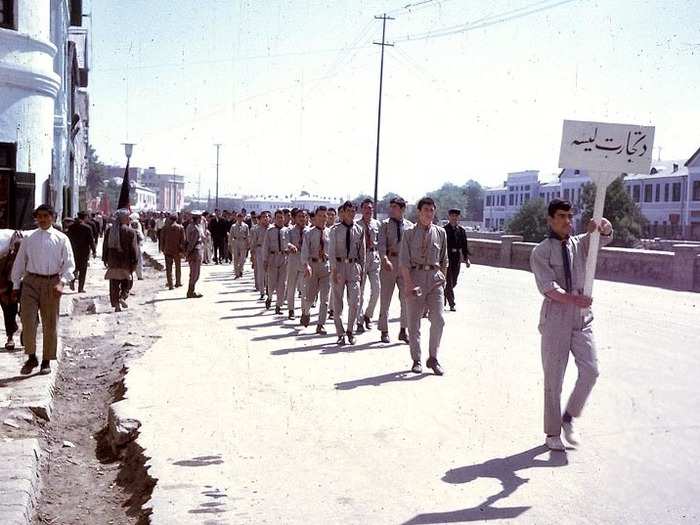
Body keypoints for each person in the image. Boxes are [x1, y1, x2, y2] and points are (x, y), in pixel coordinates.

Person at [529, 199, 613, 451]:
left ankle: (568, 418)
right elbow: (548, 288)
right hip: (556, 318)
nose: (567, 220)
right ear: (550, 220)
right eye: (562, 216)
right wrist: (573, 299)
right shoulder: (541, 251)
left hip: (581, 318)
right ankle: (552, 432)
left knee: (591, 370)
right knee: (554, 378)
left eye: (570, 216)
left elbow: (603, 239)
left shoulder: (579, 244)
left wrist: (605, 228)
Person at [11, 204, 75, 375]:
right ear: (36, 218)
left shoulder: (61, 239)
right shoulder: (29, 238)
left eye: (46, 216)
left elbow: (69, 265)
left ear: (52, 217)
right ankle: (31, 357)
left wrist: (62, 282)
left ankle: (46, 360)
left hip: (51, 283)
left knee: (49, 323)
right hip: (30, 282)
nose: (42, 219)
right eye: (39, 216)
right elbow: (19, 262)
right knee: (28, 321)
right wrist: (16, 285)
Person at [399, 197, 448, 375]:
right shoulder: (409, 233)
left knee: (439, 320)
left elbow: (444, 260)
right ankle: (416, 359)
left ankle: (433, 358)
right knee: (414, 322)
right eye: (425, 209)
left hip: (435, 279)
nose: (428, 213)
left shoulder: (441, 232)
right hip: (416, 277)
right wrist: (408, 284)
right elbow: (404, 261)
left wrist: (443, 279)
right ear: (419, 212)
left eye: (431, 210)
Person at [328, 201, 365, 346]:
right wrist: (334, 270)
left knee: (355, 301)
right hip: (339, 266)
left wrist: (362, 269)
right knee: (338, 301)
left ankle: (350, 331)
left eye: (353, 210)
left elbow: (362, 252)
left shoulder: (359, 229)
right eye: (348, 210)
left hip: (353, 267)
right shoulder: (335, 229)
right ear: (342, 212)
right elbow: (331, 252)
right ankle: (340, 333)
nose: (350, 213)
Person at [377, 197, 413, 344]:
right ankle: (384, 330)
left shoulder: (410, 226)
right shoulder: (384, 225)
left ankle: (404, 330)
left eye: (394, 207)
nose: (391, 209)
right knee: (385, 299)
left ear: (402, 209)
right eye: (390, 206)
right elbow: (381, 244)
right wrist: (384, 259)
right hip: (389, 264)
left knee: (406, 299)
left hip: (404, 264)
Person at [300, 206, 331, 334]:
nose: (323, 218)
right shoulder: (309, 233)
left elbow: (334, 251)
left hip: (326, 267)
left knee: (325, 299)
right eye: (320, 216)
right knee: (310, 298)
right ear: (315, 217)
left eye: (325, 216)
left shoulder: (331, 232)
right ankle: (306, 313)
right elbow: (304, 251)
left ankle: (320, 324)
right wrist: (306, 265)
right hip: (312, 267)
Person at [103, 209, 138, 312]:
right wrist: (135, 262)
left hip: (113, 261)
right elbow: (133, 249)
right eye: (128, 217)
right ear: (123, 218)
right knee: (127, 282)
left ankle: (116, 304)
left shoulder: (110, 231)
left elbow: (105, 246)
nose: (129, 219)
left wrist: (105, 259)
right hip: (126, 262)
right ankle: (123, 296)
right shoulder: (130, 232)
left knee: (114, 284)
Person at [357, 198, 381, 333]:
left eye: (371, 208)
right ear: (362, 210)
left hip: (374, 257)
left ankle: (368, 315)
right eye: (366, 208)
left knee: (376, 290)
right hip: (361, 258)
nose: (368, 210)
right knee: (360, 291)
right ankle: (359, 320)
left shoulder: (377, 224)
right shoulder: (357, 225)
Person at [444, 208, 471, 311]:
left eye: (456, 216)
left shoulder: (461, 231)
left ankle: (445, 293)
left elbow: (465, 246)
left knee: (454, 281)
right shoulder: (444, 230)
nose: (454, 218)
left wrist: (466, 259)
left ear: (458, 218)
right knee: (449, 281)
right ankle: (452, 303)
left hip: (456, 258)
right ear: (449, 217)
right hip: (447, 257)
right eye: (452, 216)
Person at [262, 210, 289, 314]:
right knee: (272, 282)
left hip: (284, 258)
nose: (280, 219)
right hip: (272, 258)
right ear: (274, 218)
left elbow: (289, 243)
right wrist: (265, 260)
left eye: (281, 217)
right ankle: (269, 297)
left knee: (282, 283)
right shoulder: (270, 231)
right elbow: (265, 246)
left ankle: (279, 305)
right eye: (278, 217)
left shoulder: (287, 231)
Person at [0, 232, 22, 350]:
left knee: (27, 312)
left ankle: (28, 333)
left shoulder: (30, 260)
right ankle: (10, 337)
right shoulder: (5, 260)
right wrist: (3, 293)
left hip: (24, 289)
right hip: (8, 290)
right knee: (9, 312)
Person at [285, 209, 308, 320]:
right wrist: (291, 246)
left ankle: (304, 310)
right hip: (293, 260)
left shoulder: (309, 231)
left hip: (304, 262)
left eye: (304, 216)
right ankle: (291, 310)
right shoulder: (290, 230)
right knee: (291, 286)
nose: (302, 218)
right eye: (300, 216)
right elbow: (286, 241)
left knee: (304, 287)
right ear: (295, 218)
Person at [66, 211, 96, 293]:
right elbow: (91, 240)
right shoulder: (87, 228)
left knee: (73, 267)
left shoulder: (71, 227)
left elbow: (67, 238)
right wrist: (94, 251)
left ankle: (72, 281)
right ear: (85, 217)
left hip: (73, 251)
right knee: (83, 271)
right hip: (84, 252)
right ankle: (80, 288)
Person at [161, 214, 185, 290]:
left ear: (170, 219)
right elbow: (183, 240)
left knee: (169, 268)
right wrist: (182, 251)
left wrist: (162, 248)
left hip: (167, 250)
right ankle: (178, 282)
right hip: (177, 251)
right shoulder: (180, 227)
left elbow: (162, 239)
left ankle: (170, 285)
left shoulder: (165, 228)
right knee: (178, 267)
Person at [250, 211, 270, 299]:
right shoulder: (256, 229)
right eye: (263, 217)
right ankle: (262, 291)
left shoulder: (271, 228)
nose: (266, 218)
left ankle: (269, 290)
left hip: (270, 252)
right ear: (260, 219)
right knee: (261, 272)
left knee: (269, 272)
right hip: (260, 250)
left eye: (267, 216)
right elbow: (253, 242)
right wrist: (252, 254)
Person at [185, 211, 205, 298]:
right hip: (195, 251)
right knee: (195, 273)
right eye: (200, 218)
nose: (201, 219)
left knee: (195, 273)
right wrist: (188, 252)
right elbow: (192, 242)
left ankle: (191, 290)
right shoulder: (194, 228)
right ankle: (190, 292)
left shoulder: (194, 226)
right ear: (197, 219)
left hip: (197, 250)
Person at [229, 212, 249, 279]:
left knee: (242, 259)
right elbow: (231, 236)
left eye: (241, 217)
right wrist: (230, 244)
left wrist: (248, 244)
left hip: (243, 242)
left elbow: (247, 235)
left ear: (243, 218)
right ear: (236, 218)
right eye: (238, 217)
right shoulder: (233, 226)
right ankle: (237, 273)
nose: (240, 218)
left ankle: (240, 270)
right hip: (236, 242)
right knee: (235, 258)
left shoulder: (246, 226)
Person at [326, 207, 337, 320]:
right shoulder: (321, 229)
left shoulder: (338, 229)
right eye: (328, 214)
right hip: (321, 262)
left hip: (333, 261)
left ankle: (332, 309)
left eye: (332, 214)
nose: (329, 216)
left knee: (333, 286)